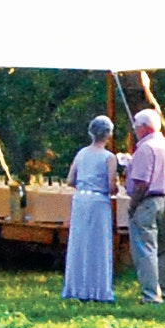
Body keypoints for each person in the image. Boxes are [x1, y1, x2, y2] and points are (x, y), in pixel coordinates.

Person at [121, 105, 165, 303]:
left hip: (148, 201)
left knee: (145, 248)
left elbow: (142, 182)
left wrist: (132, 205)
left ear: (145, 127)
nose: (135, 131)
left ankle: (150, 295)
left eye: (136, 127)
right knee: (163, 249)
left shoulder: (145, 148)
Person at [66, 114, 121, 304]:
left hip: (80, 200)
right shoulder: (109, 157)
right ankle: (98, 289)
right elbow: (111, 185)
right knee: (98, 245)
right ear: (108, 135)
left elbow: (70, 180)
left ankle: (76, 286)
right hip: (99, 202)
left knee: (79, 243)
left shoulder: (81, 153)